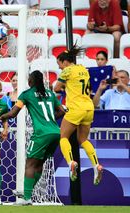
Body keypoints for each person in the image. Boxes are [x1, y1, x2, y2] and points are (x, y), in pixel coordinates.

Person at [0, 71, 64, 205]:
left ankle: (26, 198)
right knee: (39, 164)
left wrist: (2, 117)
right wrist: (50, 120)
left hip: (41, 134)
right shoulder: (50, 94)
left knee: (30, 164)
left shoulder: (26, 94)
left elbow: (13, 113)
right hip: (56, 132)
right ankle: (27, 193)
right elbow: (62, 111)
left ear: (31, 81)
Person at [53, 46, 103, 186]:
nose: (60, 67)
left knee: (63, 137)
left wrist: (65, 86)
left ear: (64, 62)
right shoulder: (83, 69)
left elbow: (56, 88)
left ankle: (70, 162)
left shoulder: (67, 71)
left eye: (59, 64)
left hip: (75, 108)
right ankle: (96, 165)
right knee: (83, 139)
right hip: (88, 107)